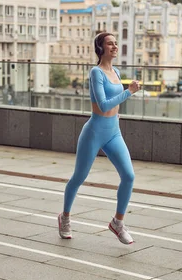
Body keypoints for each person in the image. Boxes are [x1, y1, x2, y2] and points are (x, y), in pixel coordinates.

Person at [58, 32, 140, 245]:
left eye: (115, 43)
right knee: (79, 177)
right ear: (101, 48)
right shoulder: (96, 72)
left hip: (114, 131)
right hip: (94, 131)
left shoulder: (116, 71)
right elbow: (103, 105)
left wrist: (118, 115)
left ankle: (117, 223)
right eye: (110, 43)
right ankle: (65, 217)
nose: (114, 46)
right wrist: (129, 91)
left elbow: (115, 106)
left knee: (129, 176)